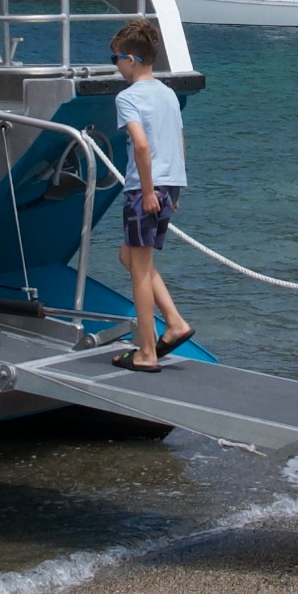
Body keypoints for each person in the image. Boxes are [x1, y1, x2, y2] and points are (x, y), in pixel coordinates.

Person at [106, 18, 197, 372]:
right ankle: (174, 323)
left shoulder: (127, 97)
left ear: (131, 59)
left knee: (139, 271)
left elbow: (141, 146)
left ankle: (145, 351)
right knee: (128, 256)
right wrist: (174, 188)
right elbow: (179, 139)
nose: (115, 65)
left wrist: (146, 191)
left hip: (144, 187)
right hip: (169, 181)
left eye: (115, 59)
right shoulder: (169, 95)